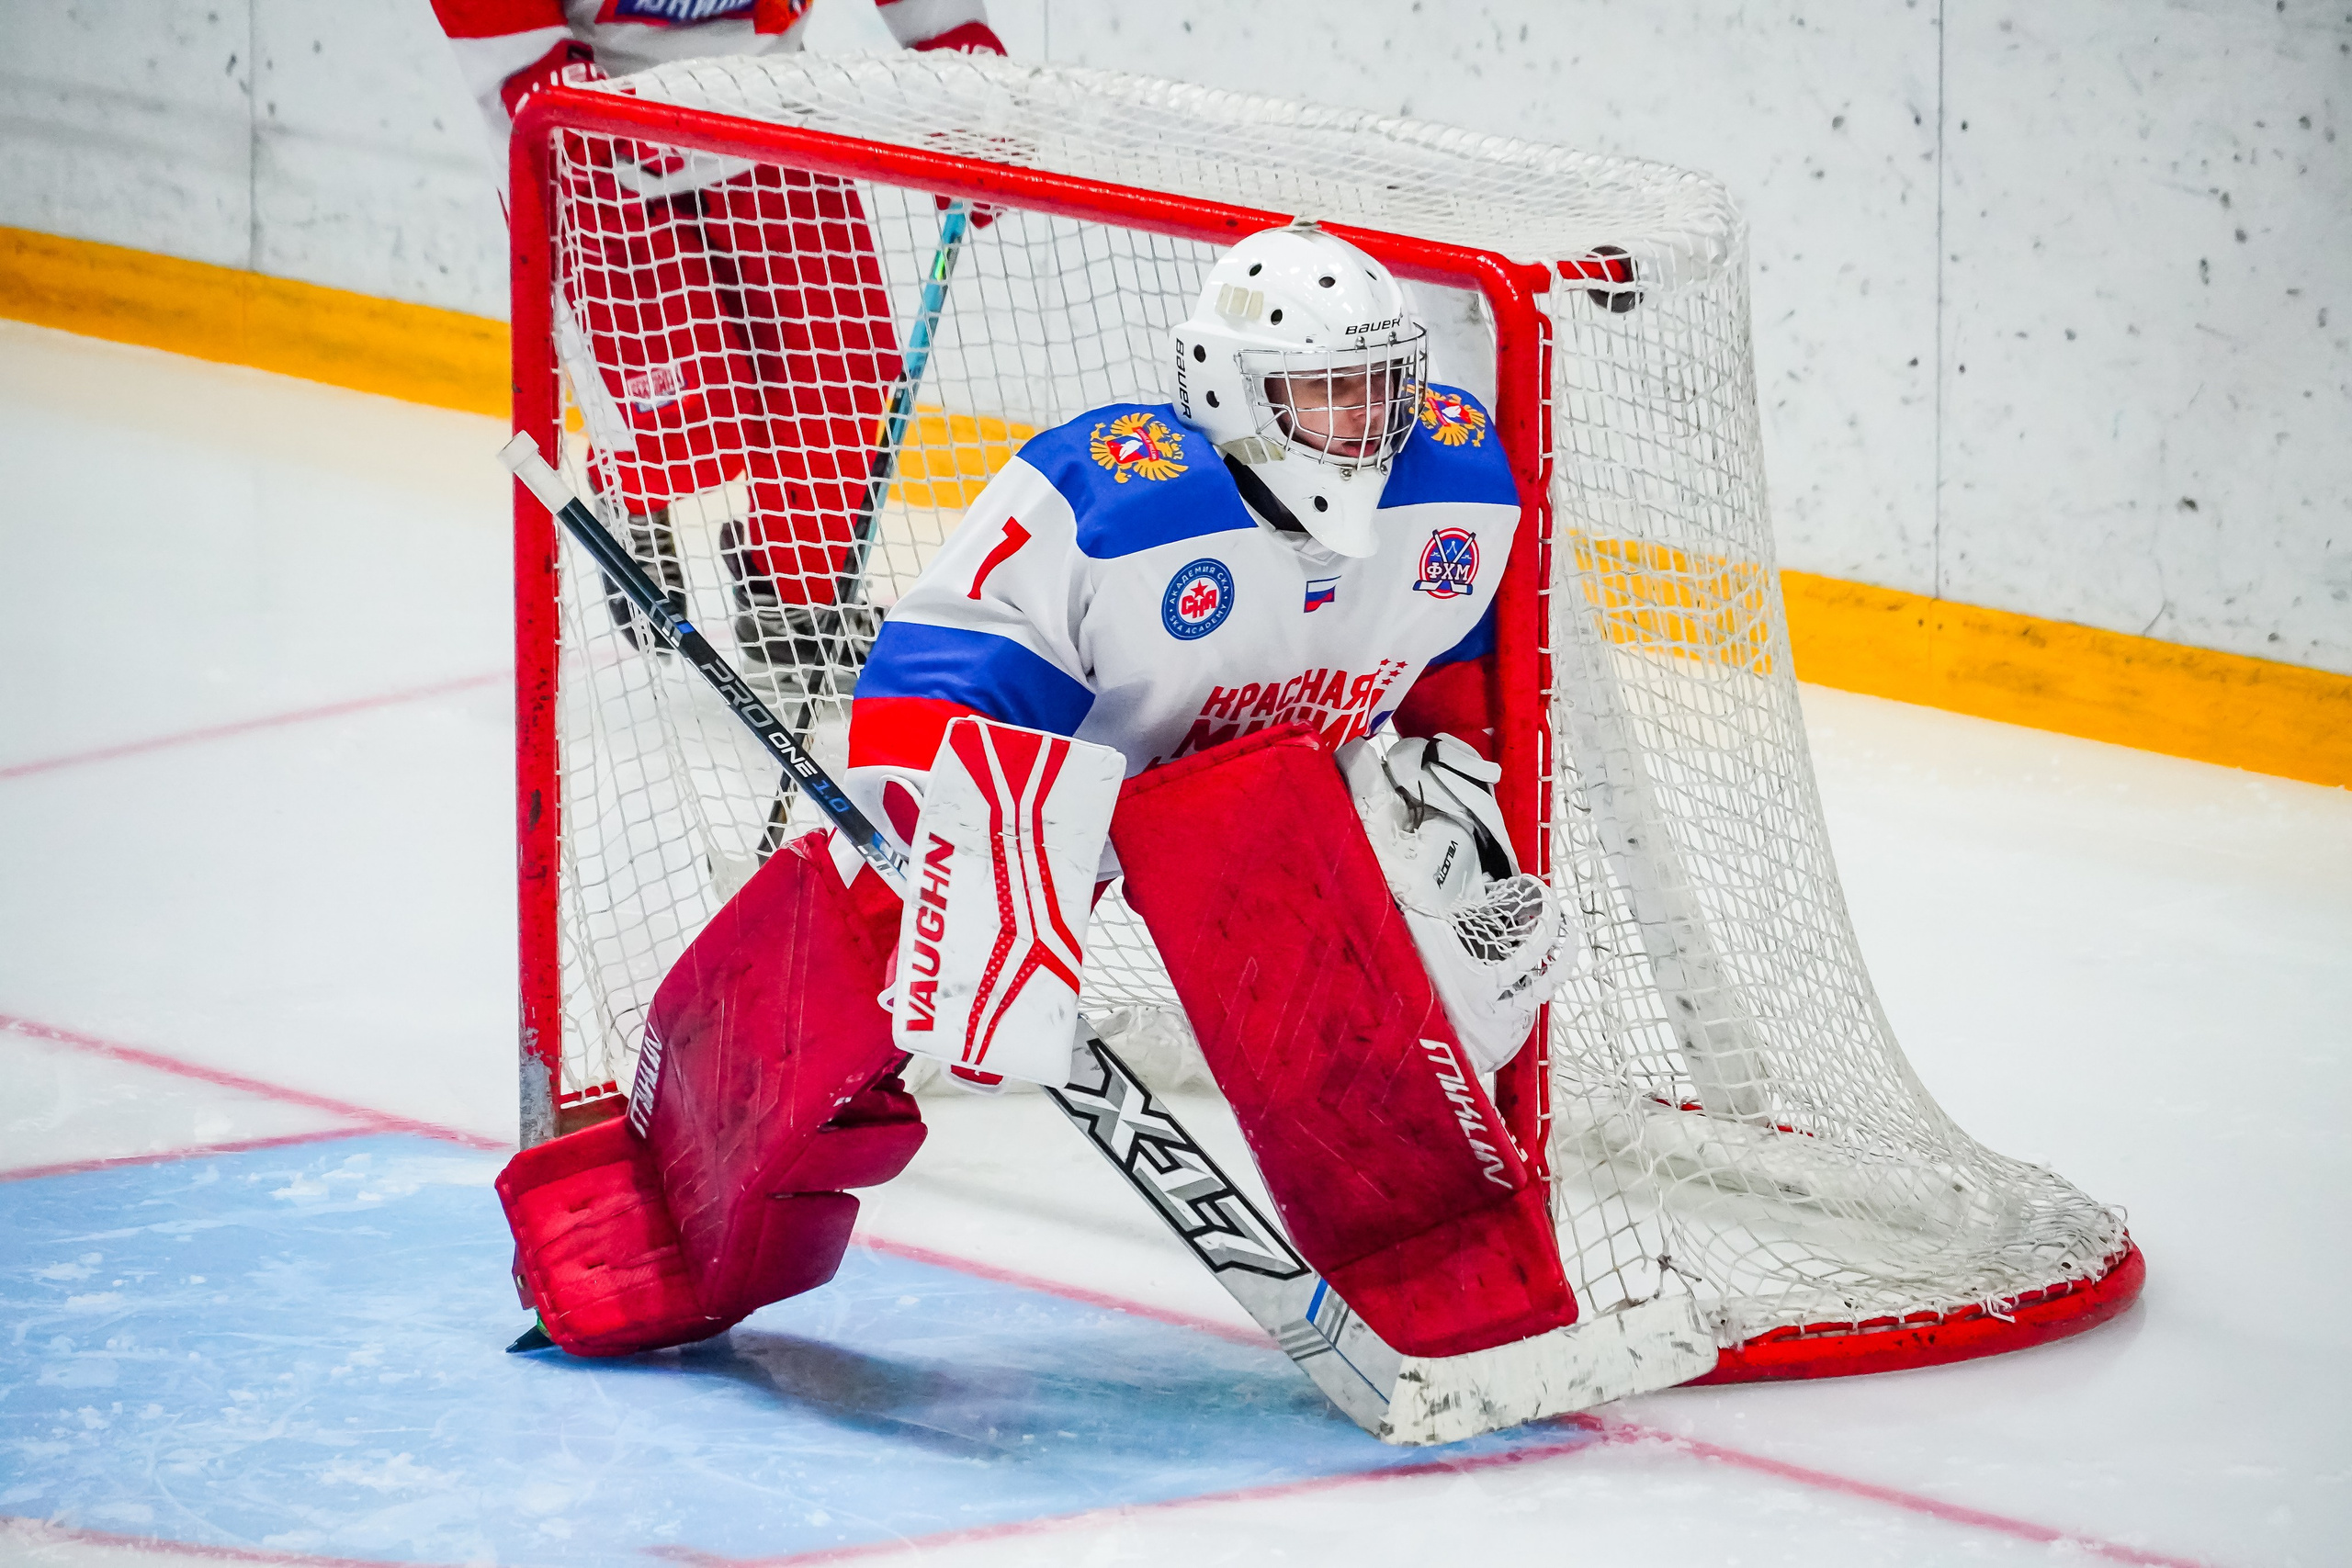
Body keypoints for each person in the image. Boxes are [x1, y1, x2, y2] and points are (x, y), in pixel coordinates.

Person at [429, 0, 1006, 690]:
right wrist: (529, 67)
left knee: (839, 384)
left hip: (767, 99)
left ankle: (795, 606)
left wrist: (948, 42)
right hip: (595, 119)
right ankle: (633, 487)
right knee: (682, 420)